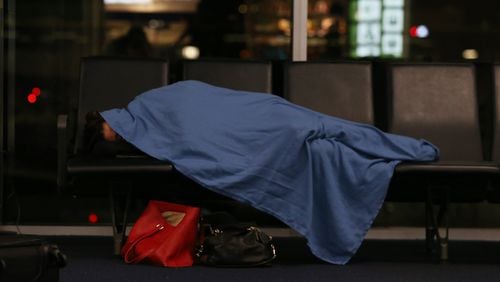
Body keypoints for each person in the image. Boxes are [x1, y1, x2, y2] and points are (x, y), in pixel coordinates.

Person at [85, 80, 439, 265]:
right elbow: (186, 139)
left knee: (314, 129)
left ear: (109, 116)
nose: (117, 132)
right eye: (113, 137)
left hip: (256, 115)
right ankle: (383, 148)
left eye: (110, 127)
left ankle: (395, 146)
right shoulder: (144, 136)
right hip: (253, 133)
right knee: (320, 147)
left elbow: (200, 100)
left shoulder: (149, 102)